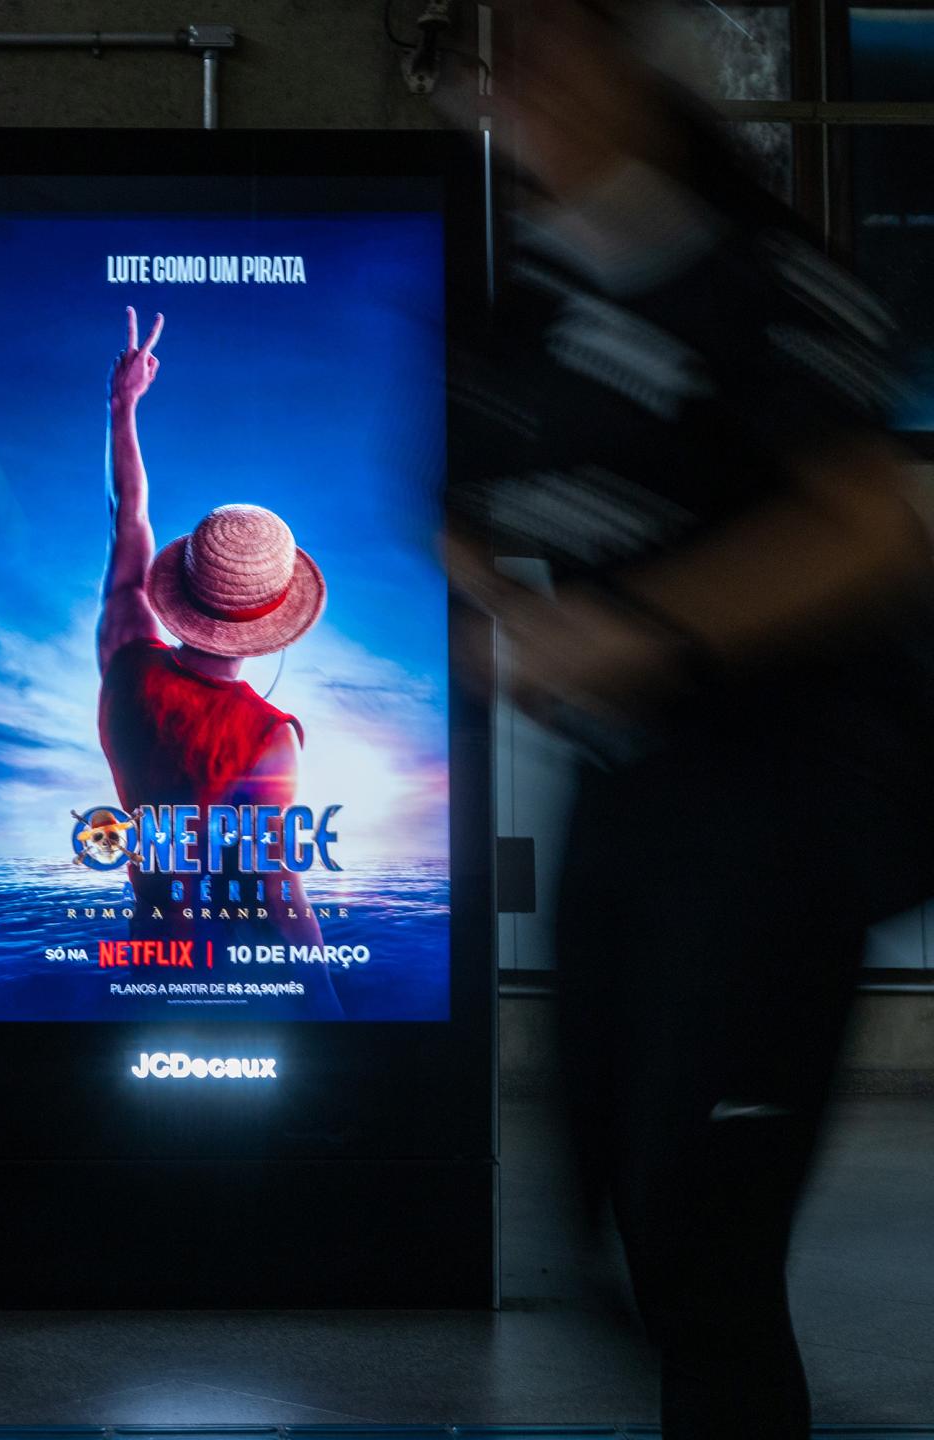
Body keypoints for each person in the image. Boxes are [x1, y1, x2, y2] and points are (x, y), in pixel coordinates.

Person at [444, 2, 934, 1435]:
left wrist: (644, 628)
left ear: (628, 72)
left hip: (792, 807)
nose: (516, 87)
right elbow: (447, 495)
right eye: (497, 63)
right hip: (633, 802)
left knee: (706, 1240)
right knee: (599, 1203)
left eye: (550, 51)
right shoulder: (523, 295)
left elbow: (868, 531)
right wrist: (499, 616)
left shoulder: (762, 278)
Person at [96, 306, 341, 1016]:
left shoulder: (125, 654)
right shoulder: (269, 734)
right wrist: (332, 1011)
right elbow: (279, 890)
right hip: (231, 981)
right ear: (276, 628)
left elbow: (130, 516)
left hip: (145, 959)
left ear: (181, 593)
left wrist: (123, 406)